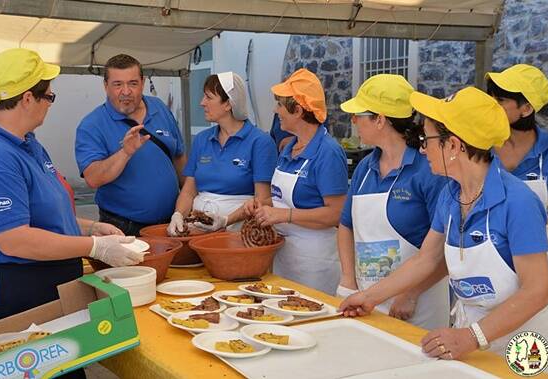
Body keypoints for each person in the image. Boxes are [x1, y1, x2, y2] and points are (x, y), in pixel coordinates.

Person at [0, 49, 142, 376]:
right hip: (16, 291)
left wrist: (90, 228)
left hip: (48, 284)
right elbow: (15, 240)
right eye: (49, 95)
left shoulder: (27, 144)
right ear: (27, 98)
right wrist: (94, 248)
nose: (50, 104)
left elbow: (43, 214)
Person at [339, 87, 548, 369]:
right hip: (469, 339)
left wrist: (471, 337)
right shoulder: (451, 195)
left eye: (426, 140)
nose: (423, 148)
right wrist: (368, 298)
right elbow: (427, 258)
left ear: (453, 145)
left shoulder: (518, 202)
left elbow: (538, 290)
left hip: (522, 347)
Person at [336, 74, 449, 329]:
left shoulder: (427, 170)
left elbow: (444, 248)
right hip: (366, 300)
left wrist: (411, 292)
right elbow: (346, 225)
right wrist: (347, 278)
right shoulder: (365, 167)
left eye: (359, 115)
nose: (353, 121)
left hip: (415, 306)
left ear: (380, 119)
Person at [247, 68, 348, 295]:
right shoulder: (289, 148)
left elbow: (337, 213)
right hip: (285, 257)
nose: (276, 111)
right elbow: (281, 201)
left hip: (314, 263)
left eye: (280, 105)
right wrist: (263, 208)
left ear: (298, 110)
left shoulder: (328, 152)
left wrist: (284, 216)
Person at [75, 54, 186, 236]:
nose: (126, 91)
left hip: (170, 223)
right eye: (118, 84)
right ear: (106, 86)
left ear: (142, 83)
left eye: (132, 83)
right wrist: (125, 153)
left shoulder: (159, 108)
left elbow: (179, 156)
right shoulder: (91, 125)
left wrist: (188, 203)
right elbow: (93, 178)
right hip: (122, 227)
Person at [167, 72, 277, 234]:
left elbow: (263, 199)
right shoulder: (202, 139)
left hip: (238, 230)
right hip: (199, 227)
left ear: (228, 104)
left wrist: (225, 221)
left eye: (208, 97)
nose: (202, 103)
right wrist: (177, 215)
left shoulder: (260, 142)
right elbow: (189, 190)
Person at [486, 64, 548, 206]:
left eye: (500, 100)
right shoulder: (478, 144)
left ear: (527, 109)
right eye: (490, 97)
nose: (491, 104)